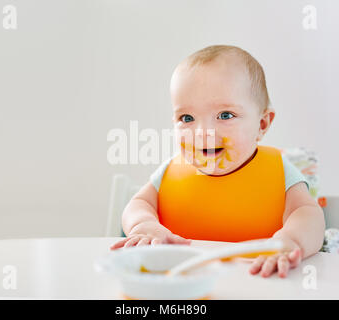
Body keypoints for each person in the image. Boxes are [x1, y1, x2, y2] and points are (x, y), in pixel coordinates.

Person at [111, 45, 325, 278]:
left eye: (225, 115)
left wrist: (290, 240)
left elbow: (309, 214)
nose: (204, 133)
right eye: (187, 118)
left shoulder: (280, 171)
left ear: (262, 124)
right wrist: (144, 225)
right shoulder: (169, 173)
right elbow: (138, 204)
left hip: (259, 283)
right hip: (185, 287)